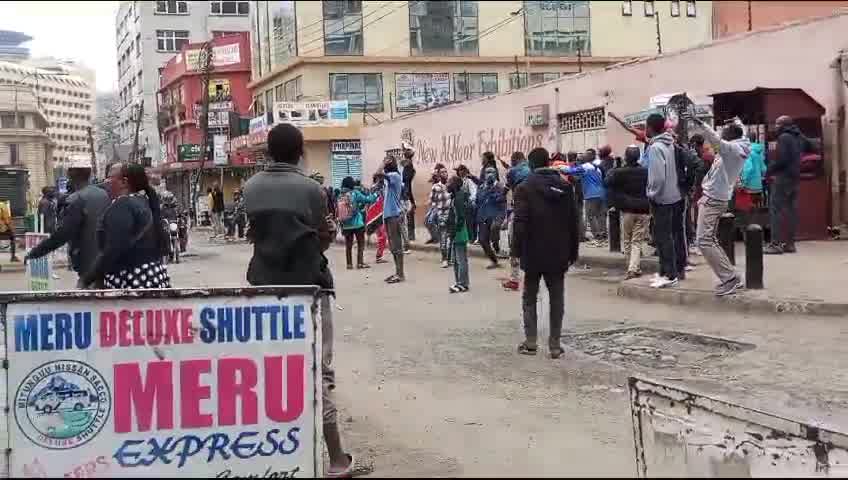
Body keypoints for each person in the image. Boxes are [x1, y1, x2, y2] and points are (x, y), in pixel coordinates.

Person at [241, 124, 354, 477]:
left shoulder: (250, 188)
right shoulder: (312, 190)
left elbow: (255, 235)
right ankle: (336, 460)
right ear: (300, 151)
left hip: (263, 288)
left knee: (270, 367)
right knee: (319, 371)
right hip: (308, 288)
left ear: (269, 152)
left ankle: (268, 453)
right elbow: (319, 235)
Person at [514, 147, 579, 359]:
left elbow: (520, 223)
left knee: (530, 296)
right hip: (558, 252)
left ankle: (531, 342)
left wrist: (515, 251)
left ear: (531, 165)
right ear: (549, 162)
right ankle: (554, 344)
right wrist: (573, 252)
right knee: (557, 298)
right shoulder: (565, 187)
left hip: (532, 252)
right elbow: (573, 223)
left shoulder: (524, 188)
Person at [79, 163, 171, 290]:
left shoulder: (123, 205)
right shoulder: (144, 201)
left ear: (124, 182)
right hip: (152, 277)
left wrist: (87, 279)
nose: (106, 181)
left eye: (110, 177)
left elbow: (114, 248)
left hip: (131, 280)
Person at [688, 116, 750, 296]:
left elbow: (716, 140)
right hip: (716, 196)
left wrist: (701, 124)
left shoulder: (731, 150)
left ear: (730, 136)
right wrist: (738, 121)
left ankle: (729, 278)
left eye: (725, 131)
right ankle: (729, 276)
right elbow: (741, 132)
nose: (721, 132)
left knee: (704, 240)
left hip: (714, 198)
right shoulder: (741, 145)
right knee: (709, 239)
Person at [26, 160, 110, 287]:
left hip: (88, 265)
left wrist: (35, 253)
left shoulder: (76, 199)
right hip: (105, 263)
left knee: (88, 302)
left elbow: (63, 234)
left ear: (70, 173)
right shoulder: (103, 194)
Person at [645, 113, 684, 289]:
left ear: (651, 127)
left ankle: (670, 274)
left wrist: (651, 193)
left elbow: (658, 176)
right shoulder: (669, 144)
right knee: (672, 235)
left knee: (663, 237)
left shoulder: (655, 147)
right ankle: (668, 271)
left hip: (661, 199)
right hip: (674, 196)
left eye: (646, 126)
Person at [605, 145, 649, 280]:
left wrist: (615, 167)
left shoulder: (619, 172)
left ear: (626, 157)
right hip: (643, 209)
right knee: (637, 241)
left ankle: (631, 267)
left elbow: (607, 182)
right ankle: (633, 267)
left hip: (627, 210)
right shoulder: (645, 171)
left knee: (627, 240)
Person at [765, 115, 805, 254]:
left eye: (777, 124)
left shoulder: (783, 137)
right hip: (794, 178)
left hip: (783, 177)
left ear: (783, 125)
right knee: (791, 211)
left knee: (775, 209)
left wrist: (769, 170)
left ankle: (775, 244)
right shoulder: (798, 137)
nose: (775, 127)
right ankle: (790, 244)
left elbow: (782, 160)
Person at [503, 151, 530, 291]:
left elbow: (506, 189)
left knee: (514, 246)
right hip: (535, 213)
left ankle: (514, 280)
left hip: (519, 212)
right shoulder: (533, 169)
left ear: (514, 160)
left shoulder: (512, 171)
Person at [339, 176, 378, 270]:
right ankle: (360, 263)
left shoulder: (340, 195)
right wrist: (375, 195)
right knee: (361, 243)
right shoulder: (355, 193)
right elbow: (368, 199)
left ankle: (349, 264)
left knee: (348, 245)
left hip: (346, 224)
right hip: (357, 223)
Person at [475, 166, 507, 269]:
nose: (489, 174)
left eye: (492, 172)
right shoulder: (481, 187)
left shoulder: (500, 187)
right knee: (483, 240)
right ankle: (494, 260)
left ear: (495, 174)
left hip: (496, 215)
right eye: (487, 172)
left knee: (495, 228)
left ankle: (496, 246)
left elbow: (502, 202)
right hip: (484, 216)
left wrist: (502, 217)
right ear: (484, 175)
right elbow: (478, 201)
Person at [383, 155, 406, 283]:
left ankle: (400, 274)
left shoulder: (395, 176)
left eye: (387, 161)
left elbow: (378, 173)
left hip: (394, 215)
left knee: (397, 246)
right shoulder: (389, 179)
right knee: (392, 246)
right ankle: (397, 272)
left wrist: (384, 162)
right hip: (388, 215)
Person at [447, 174, 470, 293]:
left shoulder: (459, 198)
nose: (447, 184)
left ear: (455, 185)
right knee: (456, 260)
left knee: (461, 260)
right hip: (456, 231)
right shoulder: (455, 196)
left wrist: (454, 231)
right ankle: (459, 282)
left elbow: (460, 217)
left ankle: (463, 284)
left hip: (459, 232)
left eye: (449, 182)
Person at [427, 165, 452, 268]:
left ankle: (450, 258)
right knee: (443, 239)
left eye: (445, 172)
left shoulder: (451, 185)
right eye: (442, 172)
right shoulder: (436, 187)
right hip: (441, 215)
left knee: (451, 239)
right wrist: (435, 210)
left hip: (452, 215)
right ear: (438, 175)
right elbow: (432, 201)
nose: (444, 174)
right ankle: (444, 259)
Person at [455, 164, 479, 244]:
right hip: (461, 204)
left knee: (470, 222)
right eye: (459, 170)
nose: (460, 172)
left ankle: (472, 238)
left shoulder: (469, 180)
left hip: (469, 204)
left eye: (462, 170)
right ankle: (467, 237)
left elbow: (473, 192)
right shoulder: (458, 180)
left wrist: (469, 201)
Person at [400, 143, 416, 249]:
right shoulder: (406, 165)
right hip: (406, 192)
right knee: (409, 214)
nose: (403, 152)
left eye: (405, 150)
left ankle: (410, 236)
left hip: (406, 192)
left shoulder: (408, 165)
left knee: (408, 214)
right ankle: (410, 236)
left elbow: (405, 180)